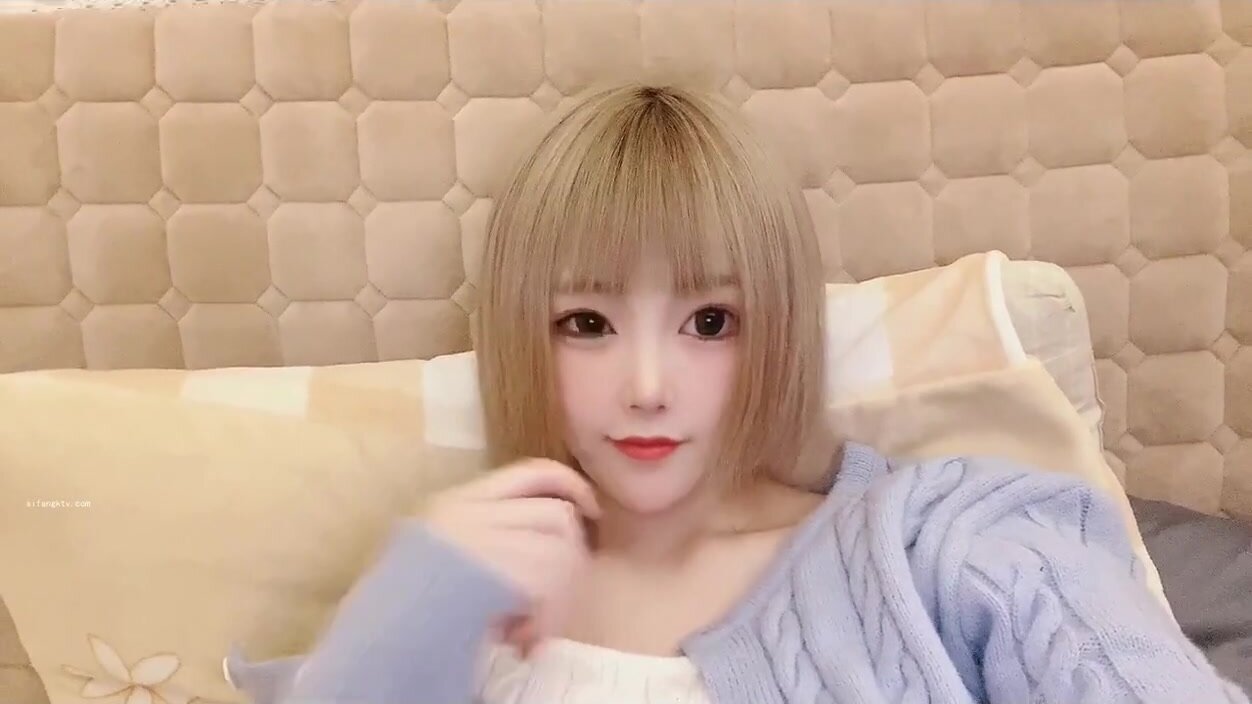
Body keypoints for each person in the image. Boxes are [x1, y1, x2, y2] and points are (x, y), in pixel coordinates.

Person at [225, 83, 1249, 704]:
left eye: (709, 321)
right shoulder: (452, 591)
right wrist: (408, 609)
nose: (647, 387)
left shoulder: (950, 541)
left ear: (781, 326)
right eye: (587, 323)